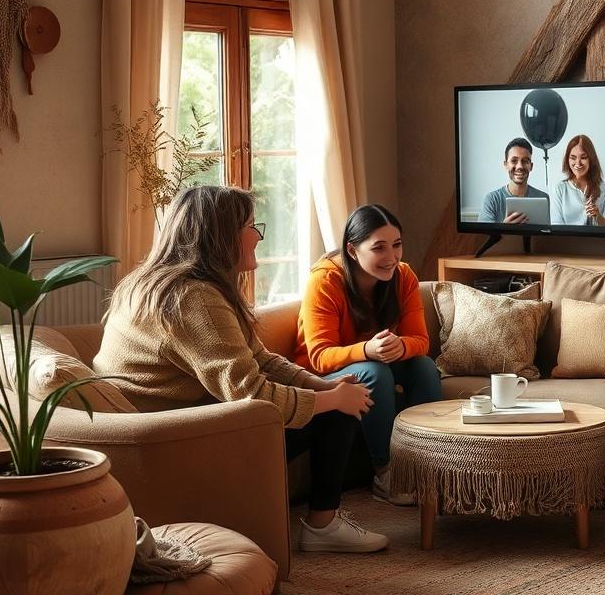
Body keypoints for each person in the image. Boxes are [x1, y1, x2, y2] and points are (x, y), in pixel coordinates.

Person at [95, 186, 387, 554]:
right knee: (335, 416)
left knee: (333, 402)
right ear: (221, 236)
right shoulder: (192, 298)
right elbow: (252, 395)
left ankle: (324, 522)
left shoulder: (170, 285)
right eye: (251, 226)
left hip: (174, 428)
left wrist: (322, 385)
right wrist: (332, 401)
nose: (258, 235)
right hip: (170, 444)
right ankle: (323, 527)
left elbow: (260, 359)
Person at [294, 204, 442, 506]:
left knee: (424, 367)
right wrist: (366, 350)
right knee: (374, 372)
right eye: (379, 248)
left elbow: (421, 341)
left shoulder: (403, 277)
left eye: (397, 245)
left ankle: (424, 465)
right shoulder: (324, 281)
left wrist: (402, 346)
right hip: (321, 374)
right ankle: (385, 472)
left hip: (376, 359)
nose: (392, 257)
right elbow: (319, 356)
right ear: (352, 249)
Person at [478, 137, 550, 224]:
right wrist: (504, 229)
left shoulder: (543, 198)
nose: (520, 166)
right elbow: (484, 237)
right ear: (505, 165)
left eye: (525, 161)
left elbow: (545, 236)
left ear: (531, 166)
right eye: (514, 161)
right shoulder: (492, 199)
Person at [550, 134, 605, 226]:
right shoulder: (560, 189)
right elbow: (556, 225)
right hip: (566, 240)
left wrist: (598, 216)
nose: (578, 163)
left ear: (591, 159)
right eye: (573, 158)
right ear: (567, 160)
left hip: (597, 240)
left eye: (583, 157)